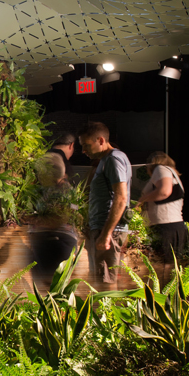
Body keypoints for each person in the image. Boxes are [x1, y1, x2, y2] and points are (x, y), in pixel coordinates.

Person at [79, 122, 131, 284]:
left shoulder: (113, 160)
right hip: (102, 228)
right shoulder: (105, 160)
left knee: (105, 282)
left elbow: (121, 197)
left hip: (108, 230)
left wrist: (106, 234)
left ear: (101, 140)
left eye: (87, 145)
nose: (83, 151)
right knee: (98, 281)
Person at [29, 133, 79, 283]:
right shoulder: (55, 189)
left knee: (53, 287)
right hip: (49, 241)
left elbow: (60, 218)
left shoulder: (62, 190)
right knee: (46, 287)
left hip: (56, 241)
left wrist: (31, 219)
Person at [136, 151, 189, 266]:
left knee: (163, 272)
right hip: (170, 227)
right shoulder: (171, 173)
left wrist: (141, 200)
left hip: (165, 229)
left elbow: (164, 192)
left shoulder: (161, 168)